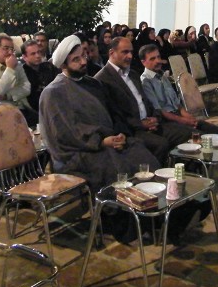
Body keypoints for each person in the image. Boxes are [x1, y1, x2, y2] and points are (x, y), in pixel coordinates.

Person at [39, 35, 159, 193]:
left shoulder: (93, 84)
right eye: (76, 59)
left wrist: (119, 135)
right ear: (63, 65)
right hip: (78, 153)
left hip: (106, 141)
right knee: (116, 167)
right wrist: (101, 142)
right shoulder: (54, 93)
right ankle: (118, 206)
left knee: (141, 154)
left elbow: (113, 114)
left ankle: (151, 202)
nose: (83, 62)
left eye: (83, 56)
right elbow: (66, 134)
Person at [94, 37, 192, 163]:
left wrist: (155, 117)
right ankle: (154, 173)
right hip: (131, 130)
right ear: (112, 53)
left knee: (186, 132)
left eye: (131, 52)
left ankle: (180, 169)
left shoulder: (133, 74)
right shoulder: (102, 79)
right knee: (161, 144)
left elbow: (147, 102)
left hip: (150, 123)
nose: (130, 56)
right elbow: (114, 116)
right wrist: (141, 124)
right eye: (125, 52)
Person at [139, 44, 218, 136]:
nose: (158, 61)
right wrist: (183, 120)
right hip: (166, 121)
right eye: (152, 59)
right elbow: (159, 111)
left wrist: (188, 117)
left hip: (177, 116)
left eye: (158, 57)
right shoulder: (145, 81)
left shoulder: (162, 75)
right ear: (143, 62)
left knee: (217, 131)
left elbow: (177, 104)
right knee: (200, 136)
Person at [21, 39, 59, 113]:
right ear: (24, 57)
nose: (38, 56)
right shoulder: (22, 74)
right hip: (35, 112)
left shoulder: (49, 67)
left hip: (56, 105)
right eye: (33, 54)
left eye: (39, 52)